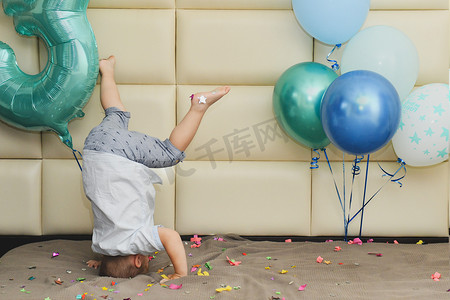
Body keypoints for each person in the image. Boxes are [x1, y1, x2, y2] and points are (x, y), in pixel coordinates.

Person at [83, 55, 230, 280]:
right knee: (116, 114)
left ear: (137, 259)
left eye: (145, 260)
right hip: (95, 148)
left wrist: (180, 272)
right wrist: (102, 262)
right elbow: (113, 247)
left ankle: (199, 105)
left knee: (170, 152)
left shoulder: (136, 241)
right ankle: (107, 70)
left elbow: (171, 237)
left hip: (118, 153)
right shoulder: (102, 243)